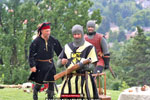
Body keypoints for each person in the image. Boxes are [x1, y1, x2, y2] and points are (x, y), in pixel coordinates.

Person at [57, 24, 99, 99]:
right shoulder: (67, 47)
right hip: (69, 79)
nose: (76, 36)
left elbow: (92, 66)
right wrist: (61, 62)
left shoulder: (89, 47)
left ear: (82, 34)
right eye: (74, 34)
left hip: (84, 80)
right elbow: (58, 64)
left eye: (78, 34)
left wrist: (82, 66)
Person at [28, 22, 62, 100]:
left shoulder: (53, 40)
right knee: (39, 83)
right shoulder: (36, 41)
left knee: (51, 81)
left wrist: (63, 58)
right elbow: (31, 55)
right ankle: (35, 93)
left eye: (49, 31)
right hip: (40, 64)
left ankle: (50, 97)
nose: (48, 32)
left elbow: (59, 51)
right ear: (42, 31)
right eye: (46, 31)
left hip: (50, 64)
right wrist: (32, 65)